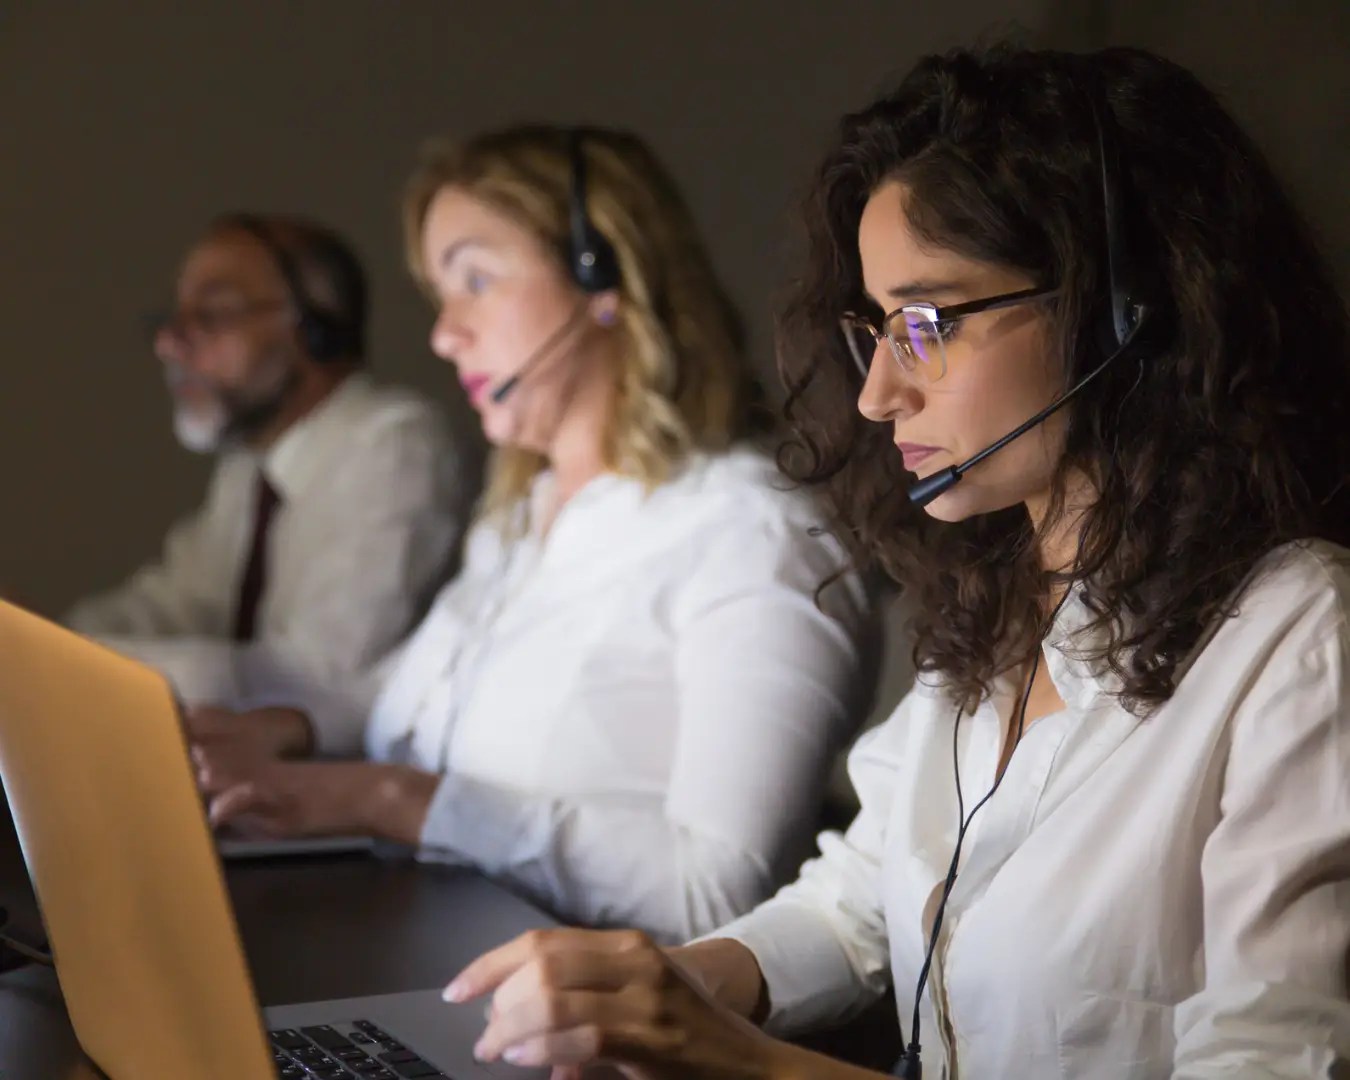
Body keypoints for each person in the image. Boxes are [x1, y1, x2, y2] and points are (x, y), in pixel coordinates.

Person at [441, 45, 1350, 1079]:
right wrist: (656, 987)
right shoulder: (1005, 603)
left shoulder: (1301, 640)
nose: (876, 394)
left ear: (1122, 314)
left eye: (926, 321)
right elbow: (862, 897)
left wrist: (743, 1062)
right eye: (874, 327)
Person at [192, 126, 876, 944]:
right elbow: (416, 697)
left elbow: (720, 891)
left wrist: (394, 800)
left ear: (603, 276)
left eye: (475, 279)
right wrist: (282, 728)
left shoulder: (753, 533)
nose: (445, 334)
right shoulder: (527, 511)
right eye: (440, 295)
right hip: (436, 966)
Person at [67, 214, 472, 702]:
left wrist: (75, 662)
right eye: (174, 319)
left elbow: (320, 674)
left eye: (212, 315)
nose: (169, 342)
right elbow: (179, 602)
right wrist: (44, 640)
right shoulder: (250, 468)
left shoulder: (394, 444)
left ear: (314, 330)